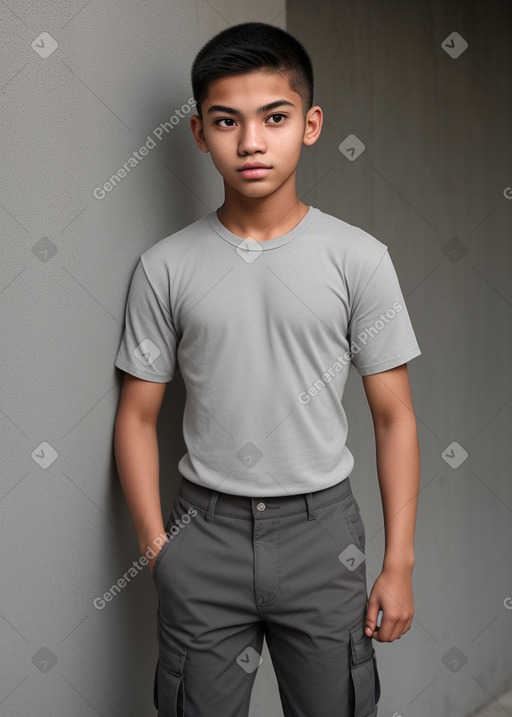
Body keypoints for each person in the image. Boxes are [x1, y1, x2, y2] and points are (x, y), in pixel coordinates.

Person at [113, 20, 421, 717]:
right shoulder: (165, 267)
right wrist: (157, 546)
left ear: (310, 125)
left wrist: (398, 561)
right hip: (204, 534)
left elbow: (394, 416)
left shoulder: (359, 259)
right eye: (226, 121)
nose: (250, 142)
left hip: (324, 537)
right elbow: (136, 416)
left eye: (273, 118)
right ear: (199, 133)